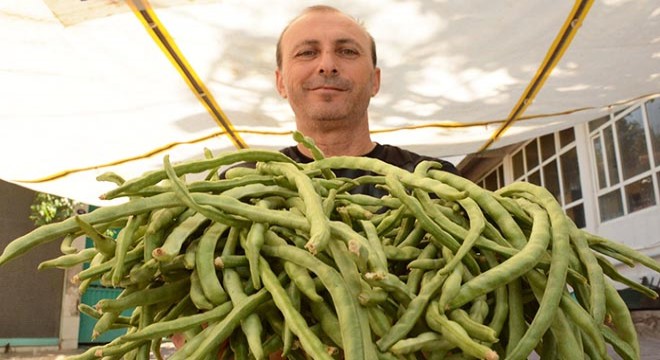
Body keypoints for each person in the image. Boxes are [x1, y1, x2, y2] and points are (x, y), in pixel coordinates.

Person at [174, 4, 458, 358]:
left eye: (347, 51)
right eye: (307, 52)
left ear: (375, 80)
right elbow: (191, 329)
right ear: (280, 82)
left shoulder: (434, 181)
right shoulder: (238, 186)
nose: (327, 64)